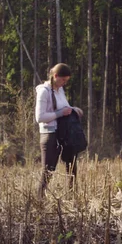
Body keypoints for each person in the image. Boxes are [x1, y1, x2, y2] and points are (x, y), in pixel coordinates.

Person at [35, 63, 83, 197]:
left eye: (67, 80)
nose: (64, 83)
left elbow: (64, 107)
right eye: (63, 80)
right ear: (55, 76)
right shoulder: (44, 92)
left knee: (72, 165)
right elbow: (40, 117)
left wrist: (74, 109)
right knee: (48, 170)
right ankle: (39, 198)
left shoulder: (60, 90)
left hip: (64, 133)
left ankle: (72, 196)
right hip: (49, 134)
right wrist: (60, 114)